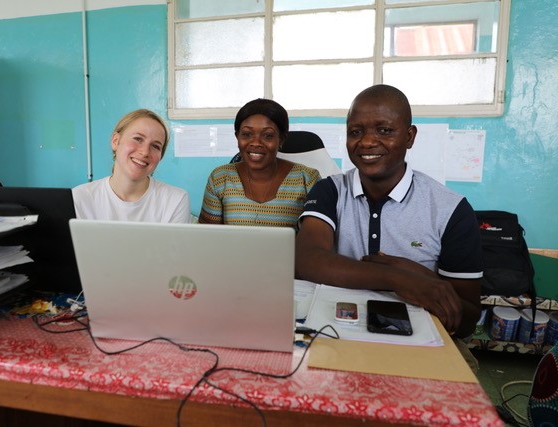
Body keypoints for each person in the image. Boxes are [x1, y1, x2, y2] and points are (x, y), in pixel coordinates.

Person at [295, 84, 483, 340]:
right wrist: (396, 277)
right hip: (337, 330)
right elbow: (309, 260)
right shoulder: (330, 190)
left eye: (384, 130)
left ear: (409, 136)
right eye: (355, 131)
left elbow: (467, 319)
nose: (368, 142)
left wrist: (420, 277)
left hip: (419, 340)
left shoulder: (450, 209)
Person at [198, 98, 320, 227]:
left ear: (282, 139)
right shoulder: (220, 179)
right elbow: (207, 239)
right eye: (246, 134)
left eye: (268, 135)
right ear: (237, 136)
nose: (256, 143)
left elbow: (315, 240)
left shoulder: (307, 180)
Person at [73, 109, 191, 223]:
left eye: (155, 146)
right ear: (115, 141)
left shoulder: (176, 200)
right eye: (138, 139)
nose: (145, 152)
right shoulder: (79, 198)